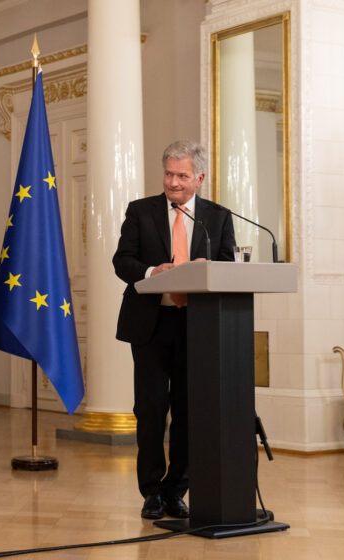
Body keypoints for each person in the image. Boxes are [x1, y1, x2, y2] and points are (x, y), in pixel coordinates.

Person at [112, 140, 236, 521]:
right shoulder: (141, 211)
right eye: (168, 173)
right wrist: (152, 272)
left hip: (196, 325)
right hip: (151, 323)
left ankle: (176, 490)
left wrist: (206, 269)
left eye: (182, 175)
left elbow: (228, 264)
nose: (173, 182)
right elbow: (122, 261)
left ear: (199, 178)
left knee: (188, 411)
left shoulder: (217, 216)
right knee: (150, 410)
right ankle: (151, 492)